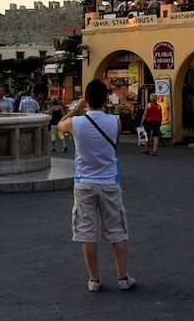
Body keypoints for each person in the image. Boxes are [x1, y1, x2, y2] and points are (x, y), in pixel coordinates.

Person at [57, 79, 135, 293]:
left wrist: (76, 107)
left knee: (86, 232)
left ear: (87, 99)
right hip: (109, 182)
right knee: (117, 231)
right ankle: (122, 277)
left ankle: (94, 279)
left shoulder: (77, 123)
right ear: (106, 100)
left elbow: (59, 125)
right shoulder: (115, 122)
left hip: (84, 183)